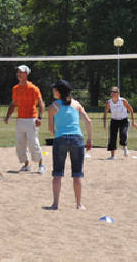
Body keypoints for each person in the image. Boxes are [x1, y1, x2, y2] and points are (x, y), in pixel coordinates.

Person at [48, 79, 92, 210]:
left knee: (57, 174)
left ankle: (55, 204)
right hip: (77, 139)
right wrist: (90, 140)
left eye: (54, 89)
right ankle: (79, 204)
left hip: (60, 139)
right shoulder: (77, 104)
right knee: (77, 175)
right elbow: (88, 122)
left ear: (58, 91)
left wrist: (58, 135)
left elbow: (51, 129)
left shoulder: (53, 107)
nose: (53, 91)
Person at [4, 65, 46, 173]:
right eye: (18, 72)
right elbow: (13, 104)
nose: (19, 74)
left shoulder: (33, 88)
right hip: (20, 120)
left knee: (33, 143)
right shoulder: (16, 89)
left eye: (21, 72)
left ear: (26, 74)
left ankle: (41, 164)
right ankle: (26, 165)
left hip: (31, 119)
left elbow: (41, 104)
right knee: (20, 144)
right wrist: (7, 116)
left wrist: (40, 118)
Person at [102, 86, 136, 159]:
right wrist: (104, 123)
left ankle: (125, 146)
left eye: (114, 92)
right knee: (112, 138)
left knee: (123, 134)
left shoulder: (123, 101)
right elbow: (105, 113)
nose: (112, 93)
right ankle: (112, 156)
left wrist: (133, 121)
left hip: (124, 120)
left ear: (118, 93)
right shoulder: (109, 102)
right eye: (111, 92)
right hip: (114, 120)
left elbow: (131, 110)